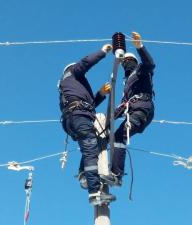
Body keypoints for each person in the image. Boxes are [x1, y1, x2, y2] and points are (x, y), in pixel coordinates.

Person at [58, 44, 116, 205]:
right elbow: (85, 63)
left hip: (74, 118)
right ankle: (95, 193)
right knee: (91, 149)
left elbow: (88, 105)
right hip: (79, 117)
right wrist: (103, 52)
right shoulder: (72, 74)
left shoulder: (70, 89)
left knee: (91, 145)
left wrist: (100, 94)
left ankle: (84, 173)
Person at [101, 32, 156, 186]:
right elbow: (121, 108)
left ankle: (117, 174)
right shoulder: (127, 85)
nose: (126, 63)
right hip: (134, 109)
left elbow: (150, 64)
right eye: (124, 62)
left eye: (129, 61)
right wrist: (103, 124)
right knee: (111, 136)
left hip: (142, 110)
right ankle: (107, 169)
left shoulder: (141, 72)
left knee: (119, 135)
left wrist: (140, 47)